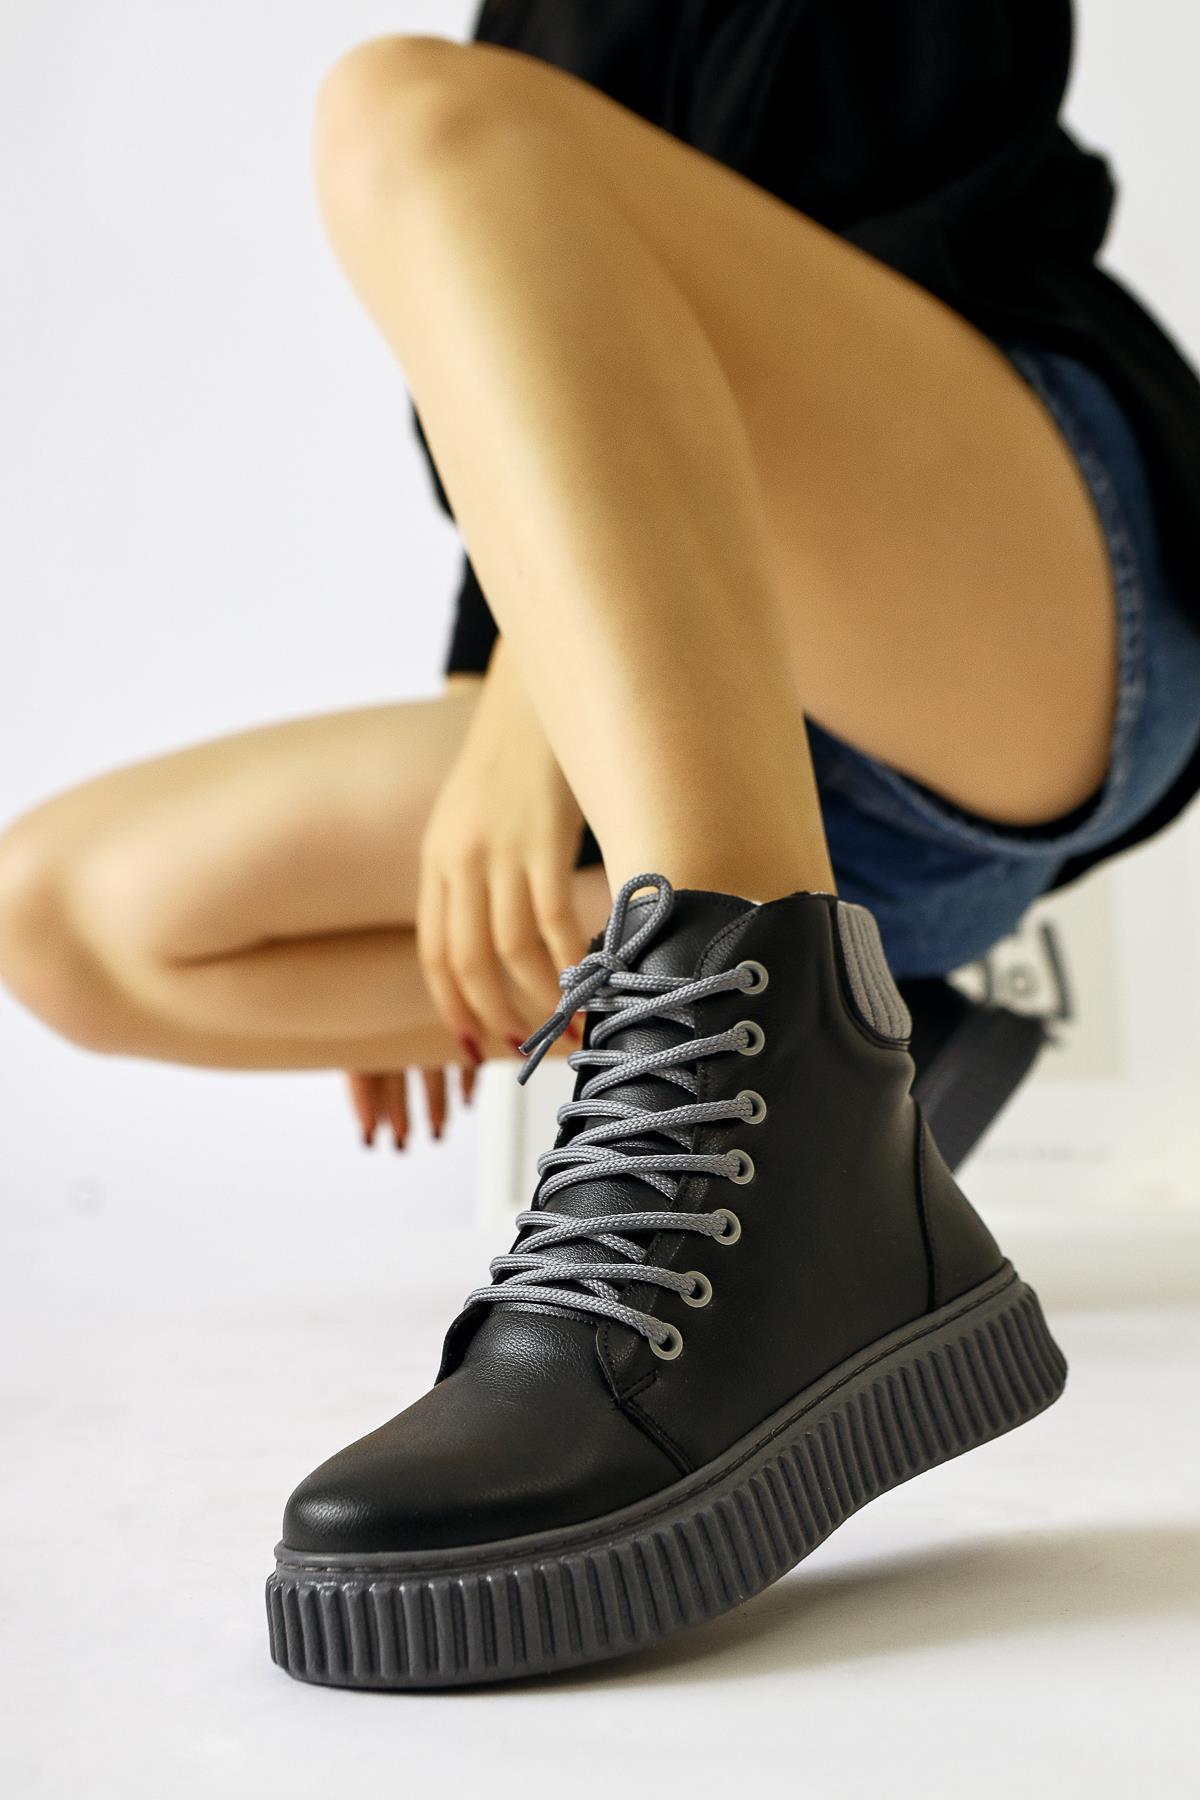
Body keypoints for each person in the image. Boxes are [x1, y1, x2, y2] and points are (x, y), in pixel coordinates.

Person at [4, 1, 1200, 1687]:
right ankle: (852, 1052)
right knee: (62, 917)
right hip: (710, 724)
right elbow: (534, 419)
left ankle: (775, 1080)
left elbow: (844, 233)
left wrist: (529, 711)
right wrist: (476, 761)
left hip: (1006, 587)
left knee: (416, 119)